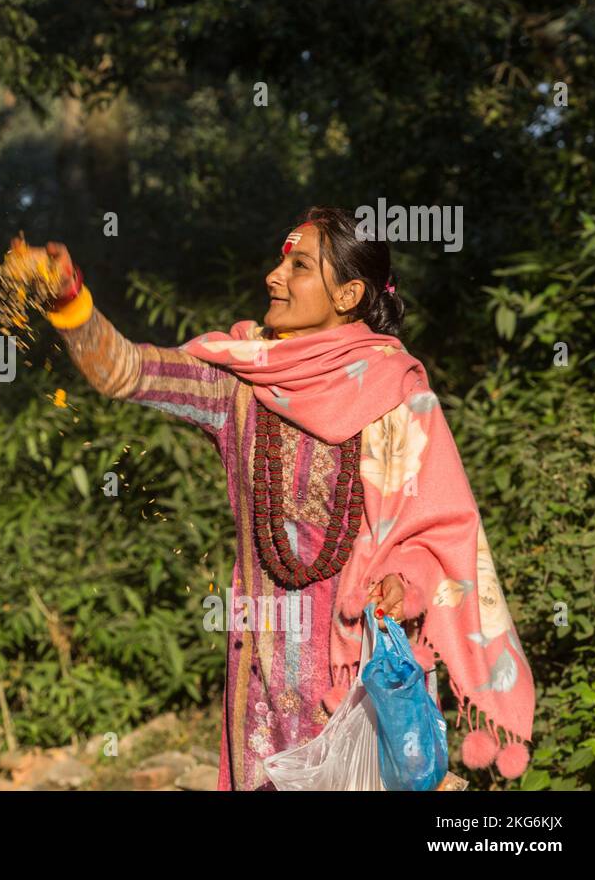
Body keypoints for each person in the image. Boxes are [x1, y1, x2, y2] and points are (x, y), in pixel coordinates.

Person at [27, 207, 536, 789]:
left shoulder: (394, 390)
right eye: (279, 261)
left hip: (354, 667)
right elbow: (125, 372)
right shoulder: (240, 377)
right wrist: (71, 302)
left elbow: (431, 530)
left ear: (348, 294)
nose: (274, 276)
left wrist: (403, 581)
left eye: (298, 266)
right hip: (260, 658)